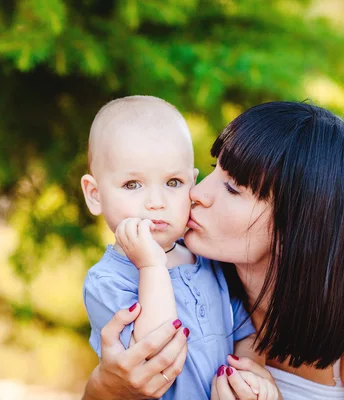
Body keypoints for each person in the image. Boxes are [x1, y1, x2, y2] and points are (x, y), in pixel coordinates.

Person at [82, 101, 344, 400]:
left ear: (297, 223)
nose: (197, 193)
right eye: (215, 169)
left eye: (232, 188)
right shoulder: (194, 270)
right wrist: (105, 387)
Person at [80, 96, 275, 399]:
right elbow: (153, 356)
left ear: (191, 183)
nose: (156, 202)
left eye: (173, 182)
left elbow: (246, 331)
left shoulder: (208, 260)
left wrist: (247, 374)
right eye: (133, 184)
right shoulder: (107, 281)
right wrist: (151, 267)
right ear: (94, 194)